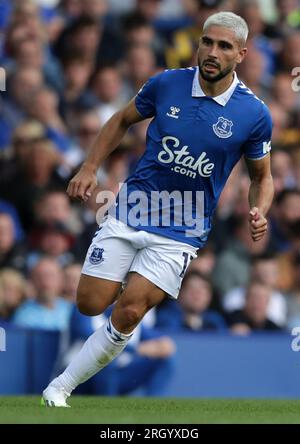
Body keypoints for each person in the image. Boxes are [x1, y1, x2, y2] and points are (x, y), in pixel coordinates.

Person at [42, 11, 274, 407]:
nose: (212, 52)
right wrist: (89, 166)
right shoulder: (167, 83)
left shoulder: (254, 114)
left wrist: (260, 210)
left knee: (130, 312)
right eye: (207, 42)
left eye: (223, 46)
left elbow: (262, 177)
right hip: (133, 208)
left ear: (241, 54)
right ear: (198, 44)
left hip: (182, 229)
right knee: (90, 303)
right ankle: (120, 290)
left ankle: (60, 387)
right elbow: (121, 120)